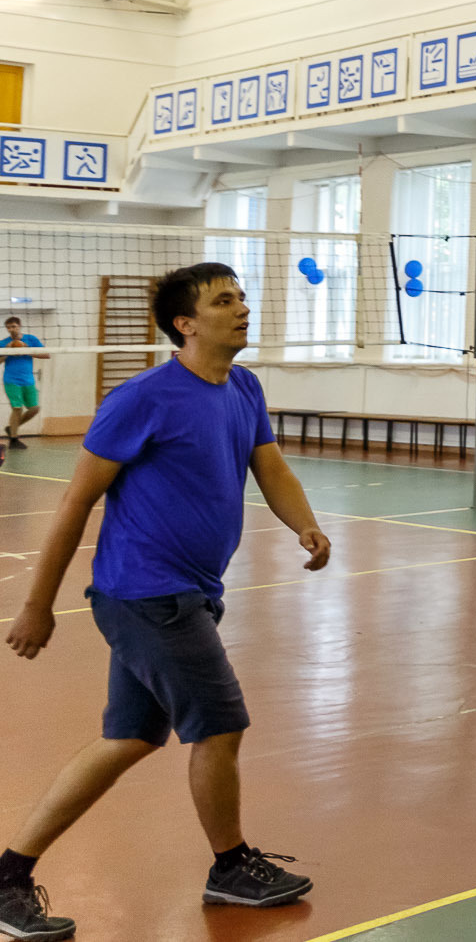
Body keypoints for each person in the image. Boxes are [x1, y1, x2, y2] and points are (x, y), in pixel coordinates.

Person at [1, 264, 334, 942]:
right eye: (223, 300)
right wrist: (38, 603)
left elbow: (269, 465)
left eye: (240, 296)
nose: (241, 308)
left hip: (190, 592)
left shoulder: (243, 386)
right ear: (185, 322)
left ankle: (7, 875)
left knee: (128, 738)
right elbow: (75, 501)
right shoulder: (142, 398)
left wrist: (303, 521)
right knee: (219, 723)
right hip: (147, 594)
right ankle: (231, 864)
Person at [4, 315, 50, 449]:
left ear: (19, 326)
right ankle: (13, 438)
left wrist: (26, 350)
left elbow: (47, 355)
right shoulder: (4, 343)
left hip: (28, 380)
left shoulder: (31, 339)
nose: (11, 329)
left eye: (13, 326)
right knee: (17, 408)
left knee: (35, 409)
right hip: (11, 380)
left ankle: (12, 428)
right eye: (8, 327)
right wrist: (8, 351)